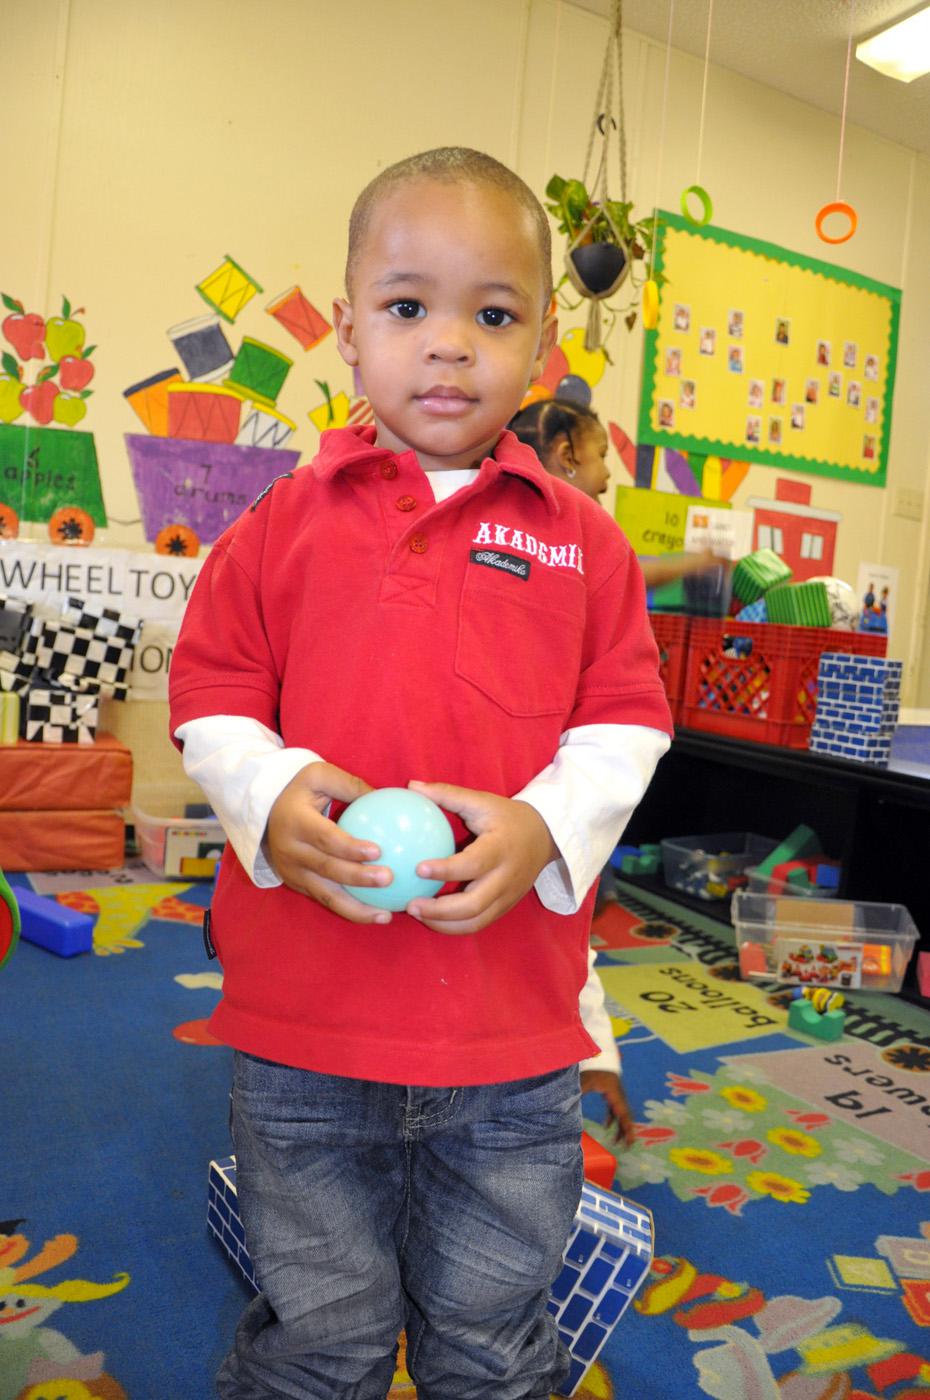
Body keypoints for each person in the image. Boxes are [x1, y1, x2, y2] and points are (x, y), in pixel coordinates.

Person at [169, 146, 672, 1400]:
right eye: (407, 308)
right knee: (322, 1337)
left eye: (491, 315)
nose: (448, 345)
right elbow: (212, 691)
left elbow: (625, 720)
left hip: (508, 1047)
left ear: (545, 344)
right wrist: (271, 798)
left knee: (491, 1343)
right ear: (346, 329)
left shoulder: (585, 544)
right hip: (304, 1036)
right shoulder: (278, 524)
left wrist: (547, 829)